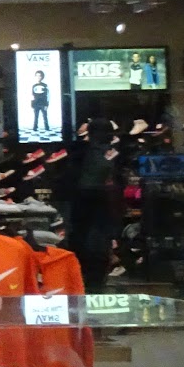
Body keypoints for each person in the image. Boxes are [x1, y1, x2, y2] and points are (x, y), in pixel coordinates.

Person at [55, 114, 126, 287]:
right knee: (98, 239)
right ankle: (94, 277)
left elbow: (66, 176)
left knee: (82, 237)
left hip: (84, 199)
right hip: (100, 200)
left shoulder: (79, 151)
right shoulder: (112, 153)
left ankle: (83, 275)